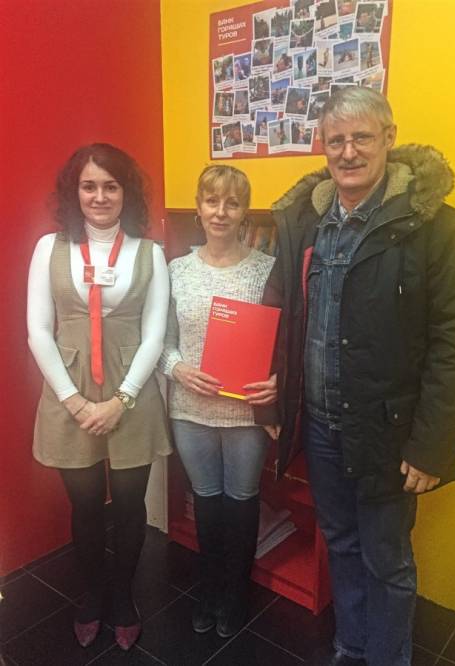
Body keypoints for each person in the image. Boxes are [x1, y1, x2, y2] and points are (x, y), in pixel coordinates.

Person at [264, 87, 455, 665]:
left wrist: (433, 445)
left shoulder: (437, 227)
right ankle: (351, 647)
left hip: (388, 434)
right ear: (322, 145)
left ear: (389, 138)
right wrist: (276, 403)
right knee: (340, 543)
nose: (348, 152)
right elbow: (282, 314)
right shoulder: (305, 221)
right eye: (336, 140)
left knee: (386, 561)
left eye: (362, 137)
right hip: (320, 426)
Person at [27, 143, 171, 651]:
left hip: (132, 395)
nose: (100, 196)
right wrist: (75, 403)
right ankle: (91, 594)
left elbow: (155, 335)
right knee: (86, 505)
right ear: (75, 191)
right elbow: (37, 331)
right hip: (68, 393)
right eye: (89, 186)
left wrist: (121, 400)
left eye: (111, 185)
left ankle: (124, 597)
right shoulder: (49, 247)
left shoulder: (150, 253)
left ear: (126, 192)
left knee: (130, 506)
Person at [159, 165, 278, 639]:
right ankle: (208, 589)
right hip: (190, 411)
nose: (221, 212)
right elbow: (162, 342)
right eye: (212, 201)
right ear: (198, 207)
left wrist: (278, 381)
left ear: (245, 211)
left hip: (246, 413)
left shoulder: (267, 269)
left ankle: (235, 593)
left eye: (232, 202)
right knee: (206, 503)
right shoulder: (176, 270)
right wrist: (178, 369)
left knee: (242, 503)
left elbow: (285, 342)